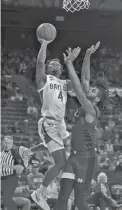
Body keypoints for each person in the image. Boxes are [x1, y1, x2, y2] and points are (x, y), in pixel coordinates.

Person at [19, 37, 79, 210]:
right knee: (61, 162)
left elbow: (79, 86)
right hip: (49, 122)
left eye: (57, 63)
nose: (54, 63)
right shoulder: (44, 80)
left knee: (53, 148)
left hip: (60, 124)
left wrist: (70, 63)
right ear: (48, 68)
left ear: (61, 69)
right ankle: (40, 192)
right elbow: (39, 62)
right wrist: (44, 43)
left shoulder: (65, 83)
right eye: (51, 62)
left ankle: (27, 151)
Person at [54, 42, 110, 210]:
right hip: (74, 156)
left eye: (93, 91)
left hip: (86, 161)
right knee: (63, 196)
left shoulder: (92, 111)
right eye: (91, 89)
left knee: (79, 202)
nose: (90, 89)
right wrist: (87, 55)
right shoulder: (87, 104)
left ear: (97, 99)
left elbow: (78, 88)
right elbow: (84, 79)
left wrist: (69, 63)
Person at [1, 136, 24, 210]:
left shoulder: (14, 153)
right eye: (5, 142)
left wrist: (9, 166)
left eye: (9, 143)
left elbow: (21, 168)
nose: (7, 144)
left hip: (10, 178)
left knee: (7, 201)